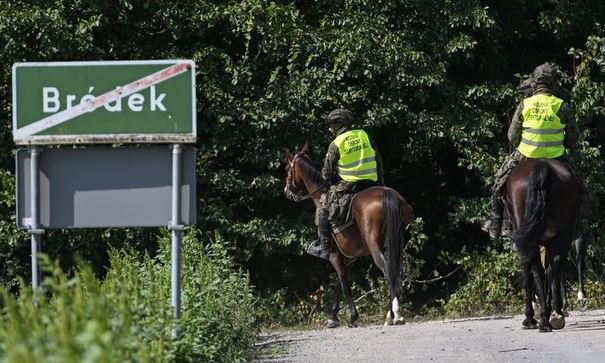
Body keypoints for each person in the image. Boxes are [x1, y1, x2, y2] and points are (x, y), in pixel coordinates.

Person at [483, 63, 591, 239]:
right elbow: (573, 138)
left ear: (534, 82)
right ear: (553, 83)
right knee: (581, 186)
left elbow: (512, 136)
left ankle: (496, 224)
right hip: (557, 156)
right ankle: (581, 222)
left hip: (526, 153)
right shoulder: (561, 106)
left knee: (499, 182)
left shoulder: (525, 104)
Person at [307, 108, 385, 260]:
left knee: (323, 204)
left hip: (349, 185)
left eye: (331, 125)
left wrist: (327, 176)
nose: (330, 128)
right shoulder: (364, 135)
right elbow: (378, 160)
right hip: (371, 182)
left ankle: (323, 246)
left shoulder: (336, 143)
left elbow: (326, 174)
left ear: (338, 125)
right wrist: (381, 182)